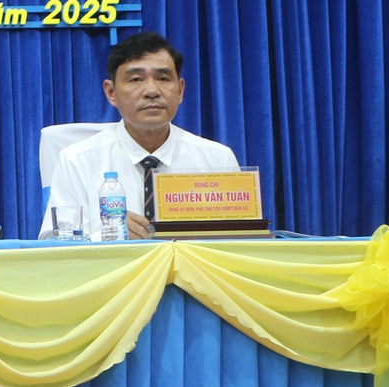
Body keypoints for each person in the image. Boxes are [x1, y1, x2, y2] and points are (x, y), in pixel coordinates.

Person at [39, 30, 242, 241]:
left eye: (163, 78)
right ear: (111, 92)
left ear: (180, 90)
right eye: (136, 79)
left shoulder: (217, 160)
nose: (152, 91)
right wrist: (110, 235)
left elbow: (240, 244)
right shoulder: (77, 160)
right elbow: (53, 246)